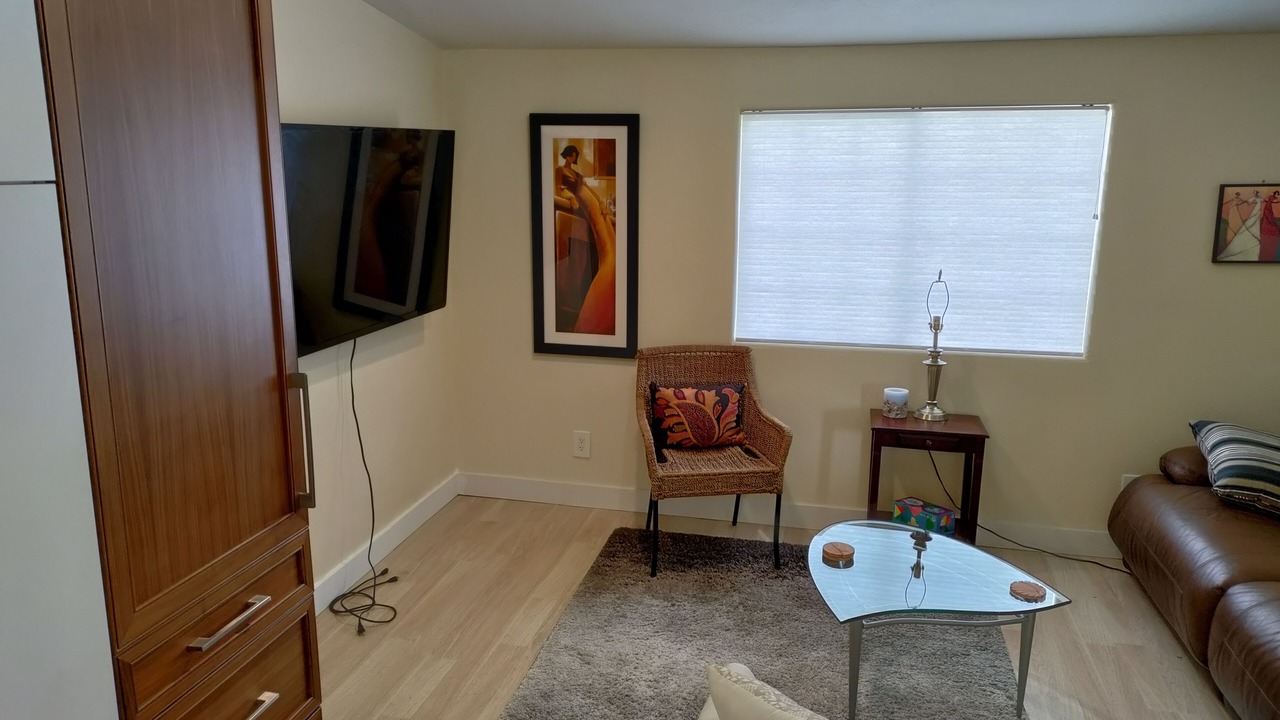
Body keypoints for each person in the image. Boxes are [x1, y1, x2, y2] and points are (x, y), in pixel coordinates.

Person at [554, 144, 616, 334]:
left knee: (611, 249)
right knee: (608, 256)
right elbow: (559, 189)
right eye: (573, 155)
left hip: (593, 207)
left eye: (575, 156)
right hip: (585, 206)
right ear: (568, 155)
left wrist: (601, 204)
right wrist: (567, 196)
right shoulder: (560, 170)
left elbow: (590, 189)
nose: (573, 158)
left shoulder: (576, 173)